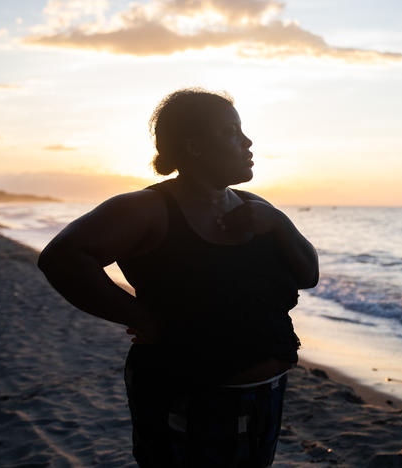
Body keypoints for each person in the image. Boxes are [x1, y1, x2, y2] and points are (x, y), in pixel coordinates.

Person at [38, 88, 319, 467]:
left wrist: (280, 224)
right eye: (231, 131)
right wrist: (140, 317)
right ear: (195, 145)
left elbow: (308, 275)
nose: (248, 142)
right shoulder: (149, 209)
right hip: (188, 394)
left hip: (266, 394)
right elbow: (62, 258)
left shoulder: (257, 208)